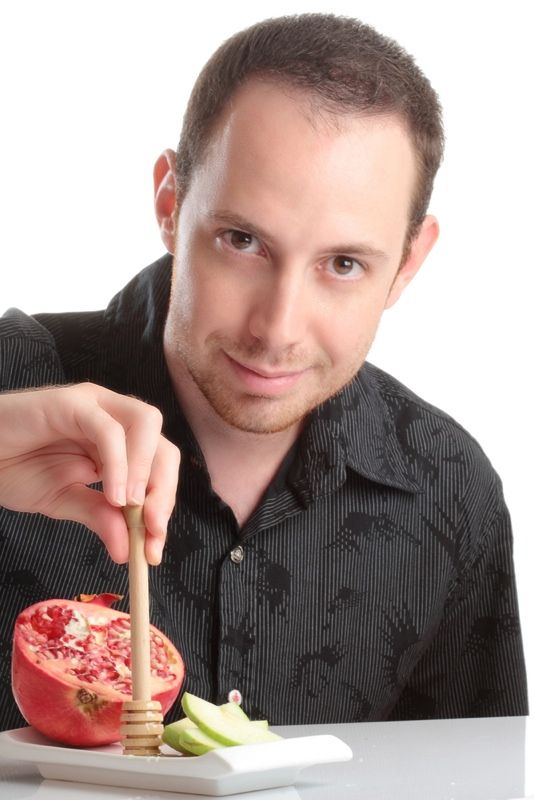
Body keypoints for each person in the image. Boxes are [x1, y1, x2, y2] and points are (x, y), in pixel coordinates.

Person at [0, 13, 528, 730]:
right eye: (242, 241)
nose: (277, 329)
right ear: (169, 203)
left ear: (408, 263)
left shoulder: (450, 488)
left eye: (343, 264)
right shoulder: (9, 384)